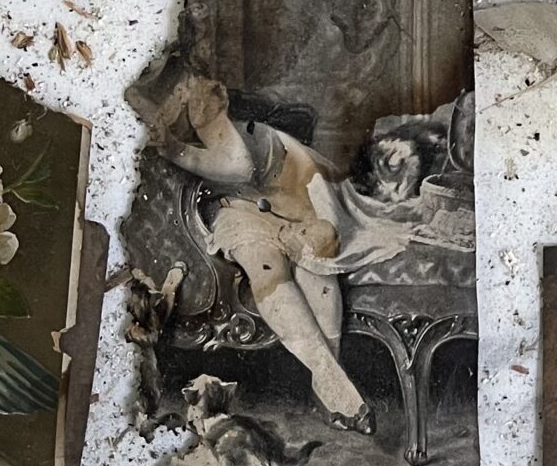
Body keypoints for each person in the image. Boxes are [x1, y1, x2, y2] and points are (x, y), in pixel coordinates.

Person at [145, 71, 435, 435]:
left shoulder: (227, 124)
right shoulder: (188, 119)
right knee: (267, 270)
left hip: (294, 202)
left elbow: (245, 168)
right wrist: (172, 145)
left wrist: (174, 147)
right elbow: (231, 171)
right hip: (237, 209)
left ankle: (328, 392)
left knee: (317, 266)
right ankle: (340, 392)